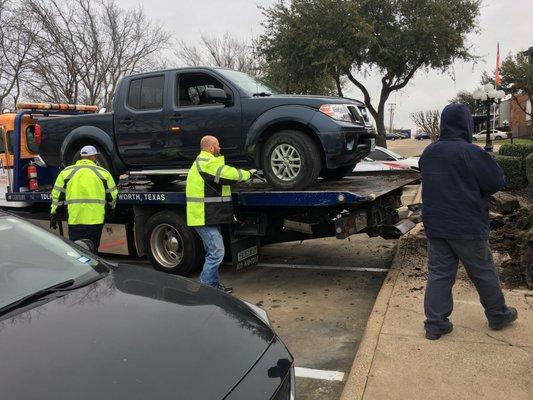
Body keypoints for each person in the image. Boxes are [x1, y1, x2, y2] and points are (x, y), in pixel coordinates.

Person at [419, 103, 517, 340]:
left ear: (443, 124)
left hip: (436, 226)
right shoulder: (472, 152)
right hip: (467, 226)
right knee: (483, 272)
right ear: (467, 124)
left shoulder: (430, 152)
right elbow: (496, 182)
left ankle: (435, 324)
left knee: (439, 274)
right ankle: (497, 314)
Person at [186, 136, 256, 293]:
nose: (220, 148)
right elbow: (227, 174)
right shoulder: (206, 161)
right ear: (211, 148)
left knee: (213, 252)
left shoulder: (203, 161)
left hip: (206, 215)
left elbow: (222, 180)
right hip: (203, 216)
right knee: (217, 252)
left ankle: (213, 285)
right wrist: (247, 174)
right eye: (218, 145)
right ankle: (206, 289)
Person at [50, 145, 118, 252]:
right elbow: (112, 196)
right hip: (95, 220)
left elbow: (57, 196)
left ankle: (81, 269)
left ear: (81, 157)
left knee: (77, 253)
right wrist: (110, 211)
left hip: (75, 220)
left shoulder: (66, 173)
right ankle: (94, 268)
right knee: (93, 251)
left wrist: (54, 214)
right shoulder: (103, 173)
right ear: (94, 157)